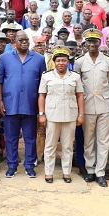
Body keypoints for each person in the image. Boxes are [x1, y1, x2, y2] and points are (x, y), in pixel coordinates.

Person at [0, 31, 47, 178]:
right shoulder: (5, 58)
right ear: (14, 42)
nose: (24, 42)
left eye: (26, 40)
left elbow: (43, 85)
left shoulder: (39, 59)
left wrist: (41, 108)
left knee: (30, 137)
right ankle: (12, 166)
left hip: (31, 104)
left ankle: (29, 166)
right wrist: (0, 101)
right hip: (10, 104)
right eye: (21, 40)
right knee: (11, 137)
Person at [38, 46, 85, 183]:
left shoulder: (75, 76)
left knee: (68, 145)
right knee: (50, 145)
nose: (61, 63)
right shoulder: (46, 76)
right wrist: (41, 114)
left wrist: (81, 114)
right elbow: (42, 96)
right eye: (58, 60)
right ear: (54, 61)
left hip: (70, 115)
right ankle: (49, 172)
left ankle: (66, 172)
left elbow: (80, 96)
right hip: (52, 114)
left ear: (67, 61)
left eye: (64, 60)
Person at [74, 29, 109, 187]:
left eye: (95, 41)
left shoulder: (108, 61)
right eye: (89, 41)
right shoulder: (80, 61)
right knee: (89, 140)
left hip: (104, 104)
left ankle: (101, 172)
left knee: (103, 140)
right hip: (87, 105)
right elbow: (78, 85)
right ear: (85, 43)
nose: (92, 44)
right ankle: (90, 170)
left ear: (100, 43)